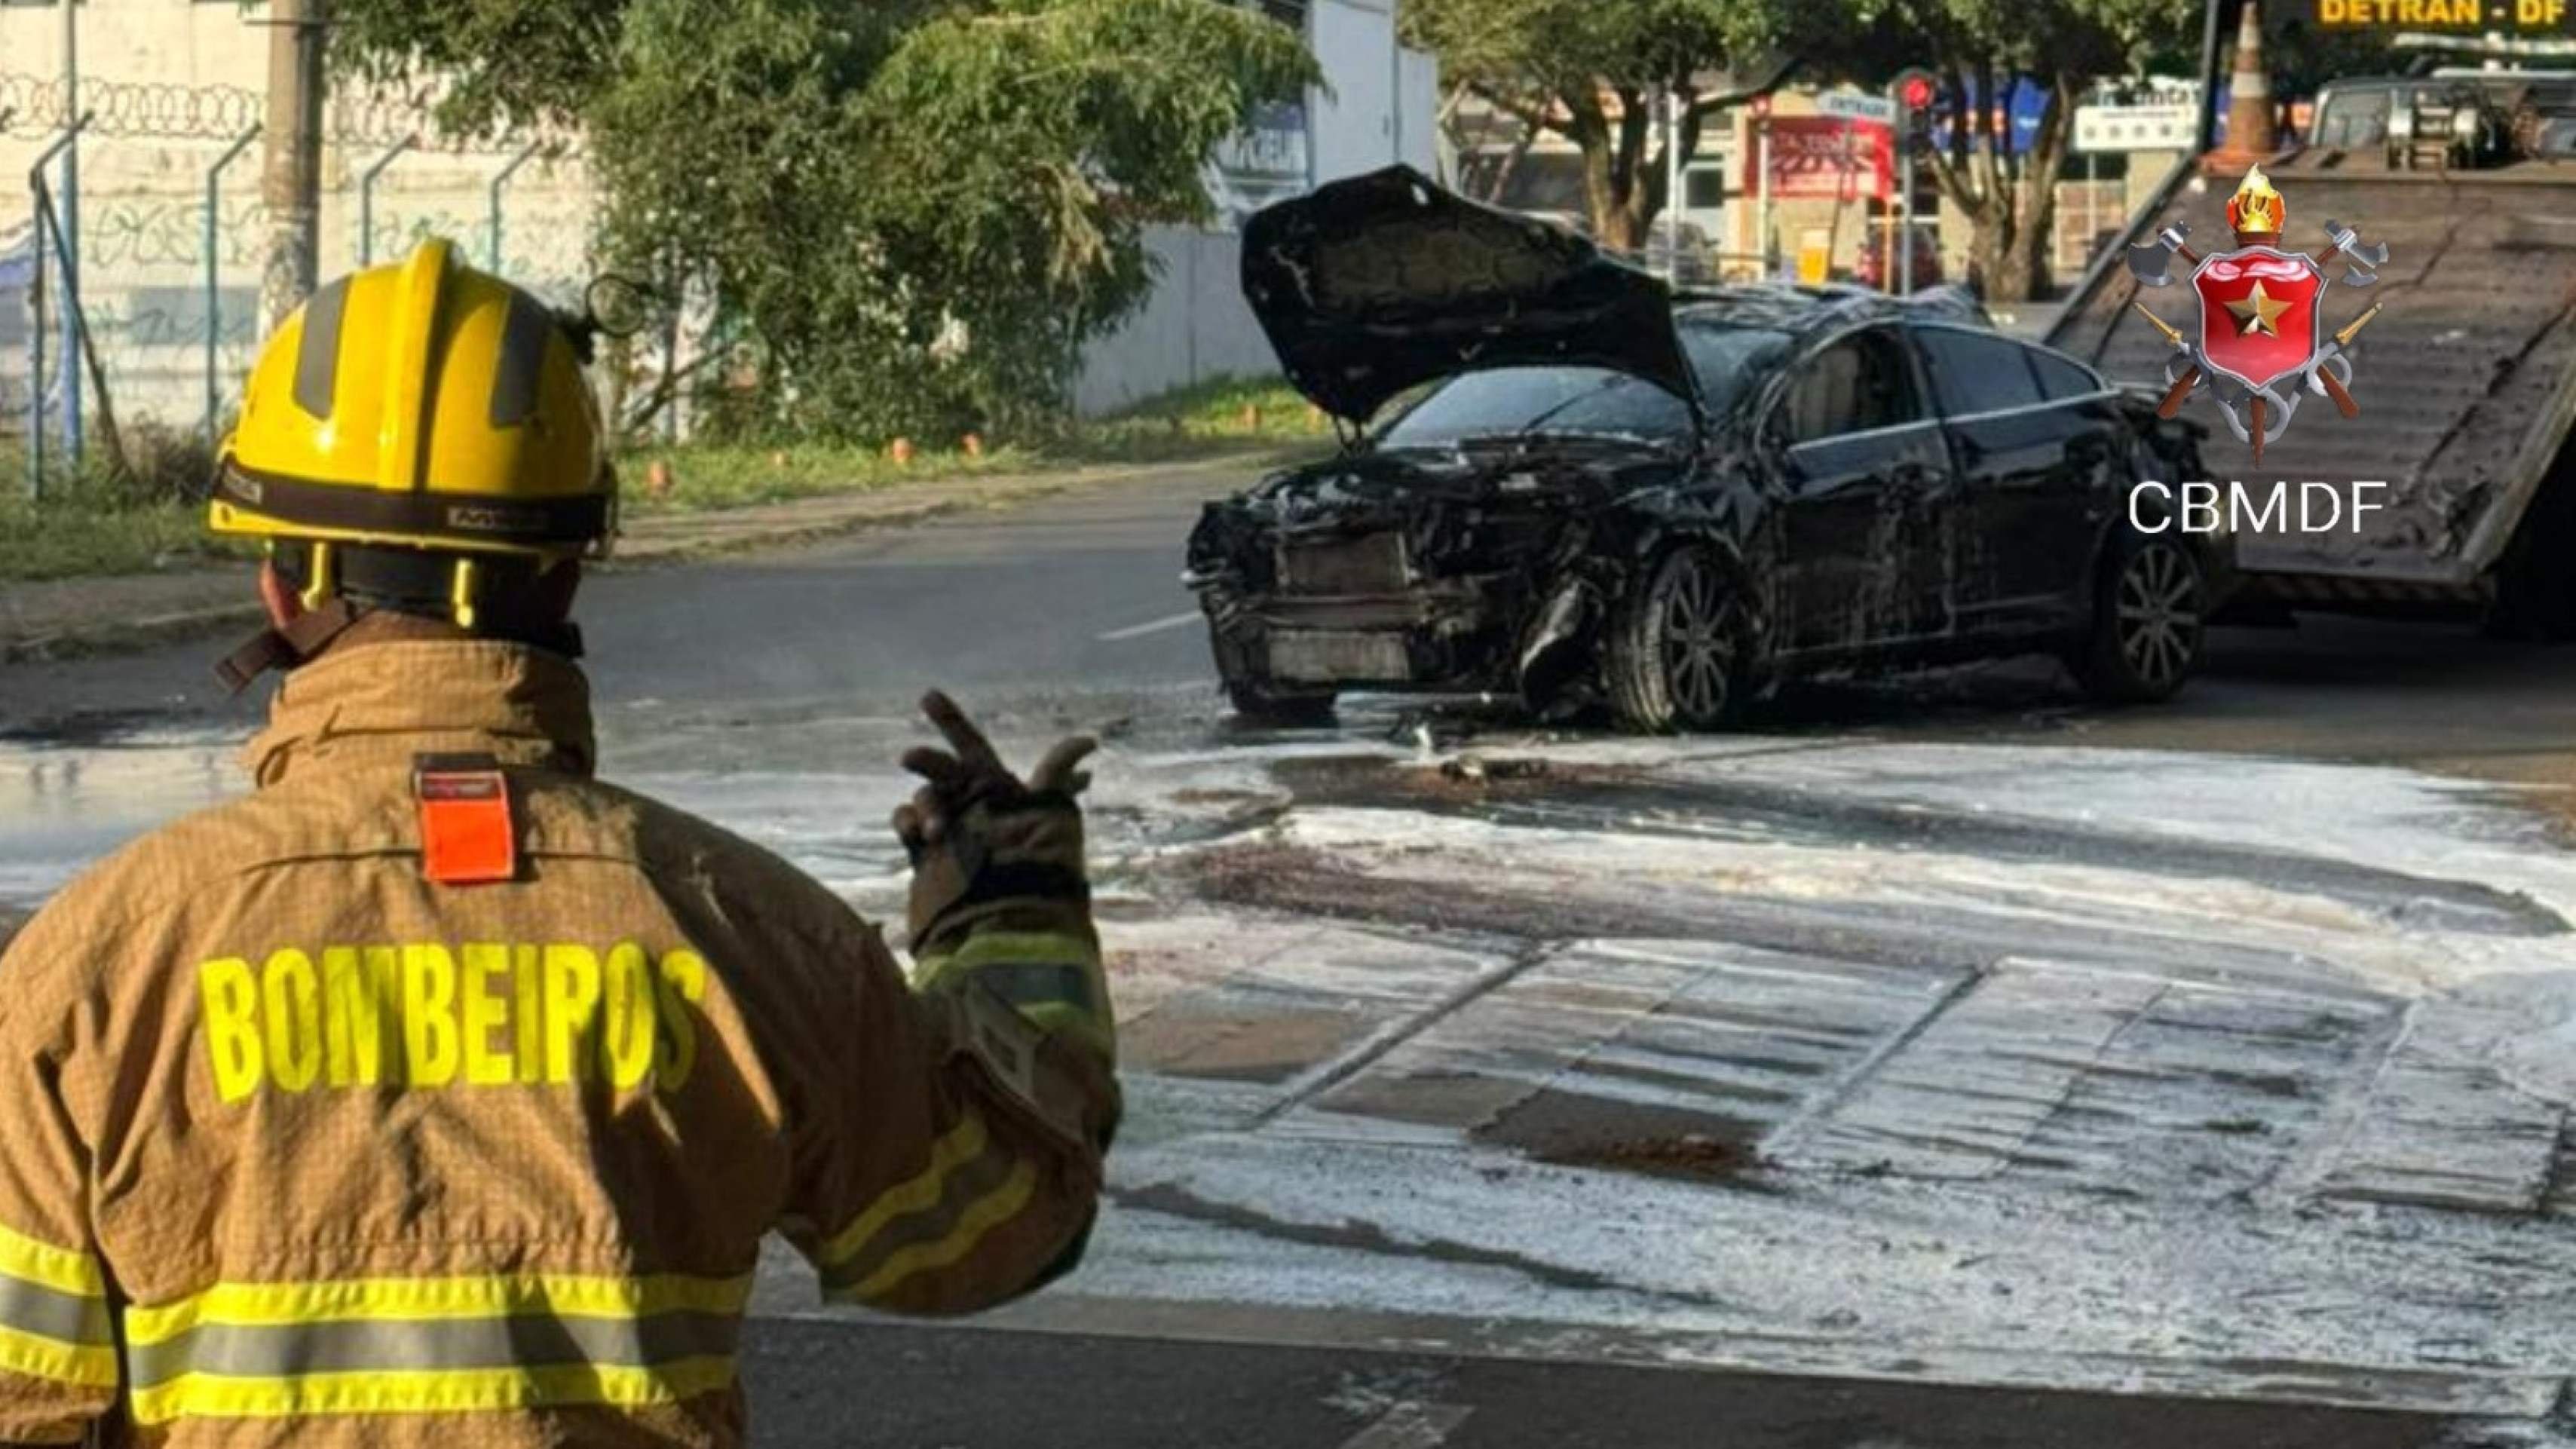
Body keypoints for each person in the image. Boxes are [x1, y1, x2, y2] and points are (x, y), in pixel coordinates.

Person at [0, 238, 1118, 1446]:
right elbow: (986, 1229)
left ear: (279, 585)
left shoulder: (96, 971)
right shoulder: (750, 931)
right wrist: (1010, 917)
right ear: (569, 570)